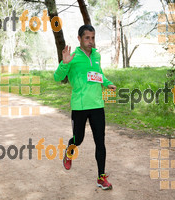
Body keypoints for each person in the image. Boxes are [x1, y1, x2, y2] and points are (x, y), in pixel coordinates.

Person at [54, 25, 116, 190]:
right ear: (79, 38)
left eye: (93, 38)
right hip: (79, 106)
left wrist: (108, 83)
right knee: (78, 139)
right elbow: (57, 77)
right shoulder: (73, 57)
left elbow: (99, 74)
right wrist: (65, 64)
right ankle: (69, 151)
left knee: (100, 142)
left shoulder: (96, 56)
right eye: (87, 38)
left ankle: (101, 177)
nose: (91, 41)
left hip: (97, 105)